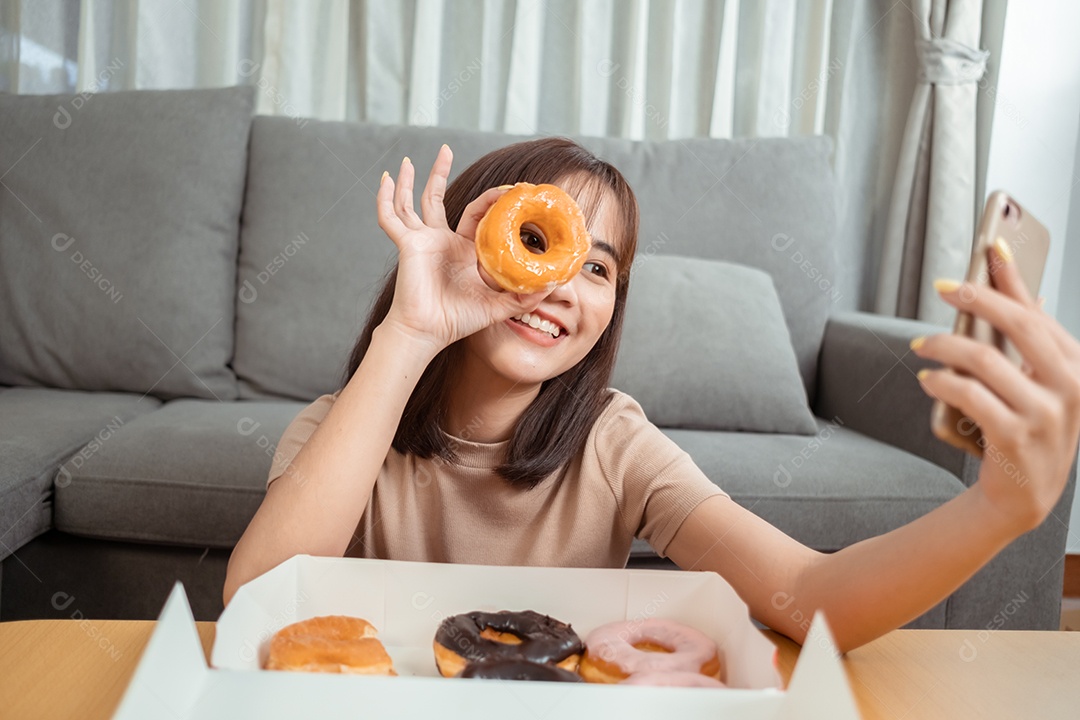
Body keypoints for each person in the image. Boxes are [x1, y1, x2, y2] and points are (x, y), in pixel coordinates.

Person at [224, 137, 1080, 653]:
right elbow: (256, 600)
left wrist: (1001, 508)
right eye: (540, 243)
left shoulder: (613, 443)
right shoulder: (345, 428)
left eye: (598, 268)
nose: (565, 283)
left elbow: (813, 601)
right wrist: (410, 334)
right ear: (455, 246)